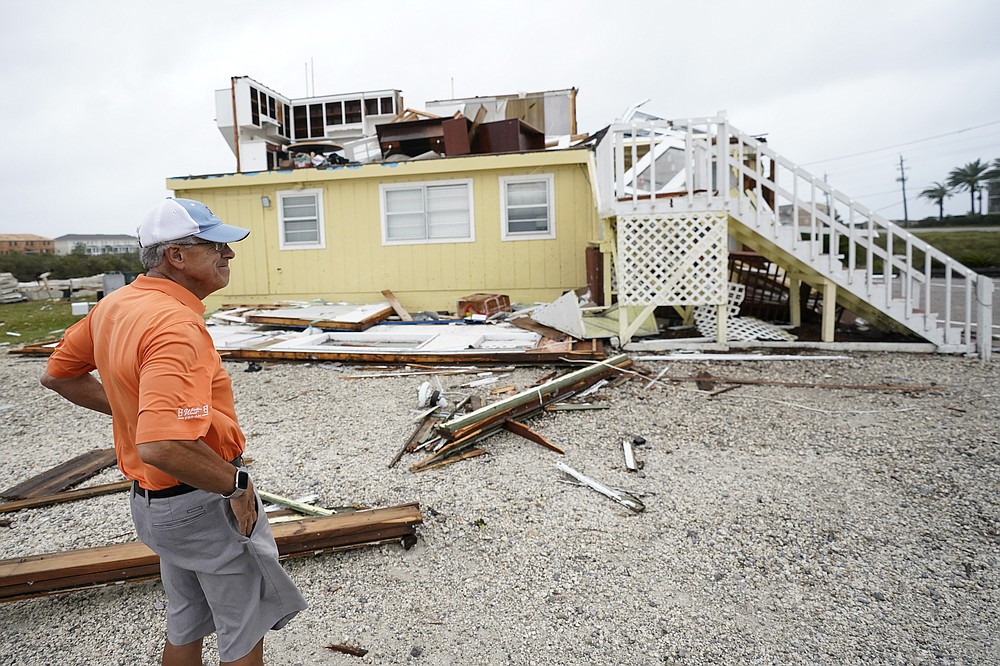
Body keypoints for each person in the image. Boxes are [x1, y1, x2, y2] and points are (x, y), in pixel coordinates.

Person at [40, 198, 307, 665]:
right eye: (215, 245)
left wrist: (135, 413)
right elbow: (164, 444)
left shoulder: (117, 305)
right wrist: (237, 484)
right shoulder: (173, 324)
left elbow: (58, 375)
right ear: (176, 256)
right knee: (244, 629)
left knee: (186, 621)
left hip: (154, 503)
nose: (229, 254)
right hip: (200, 501)